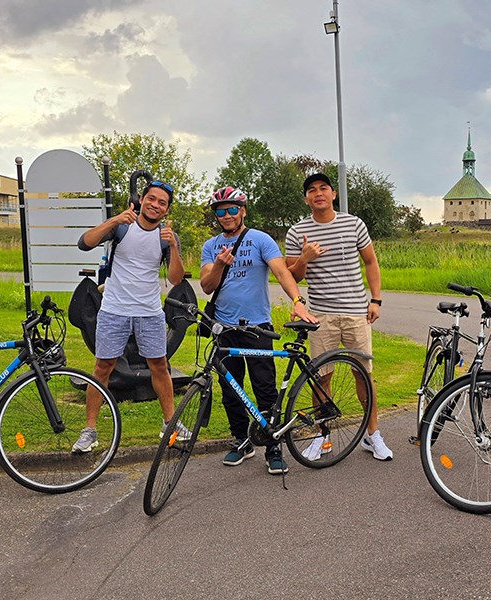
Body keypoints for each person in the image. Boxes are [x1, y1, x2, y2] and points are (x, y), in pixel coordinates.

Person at [200, 186, 318, 475]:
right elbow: (206, 286)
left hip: (257, 327)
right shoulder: (211, 246)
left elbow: (281, 272)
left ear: (242, 210)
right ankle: (242, 440)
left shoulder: (259, 239)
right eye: (220, 210)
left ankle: (273, 446)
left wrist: (298, 302)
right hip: (224, 328)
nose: (226, 215)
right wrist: (218, 264)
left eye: (232, 209)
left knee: (264, 387)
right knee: (231, 388)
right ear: (215, 215)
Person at [285, 173, 393, 461]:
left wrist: (376, 299)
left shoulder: (353, 223)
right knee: (321, 378)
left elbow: (370, 261)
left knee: (364, 374)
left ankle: (373, 435)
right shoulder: (297, 232)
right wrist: (304, 258)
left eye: (323, 188)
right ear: (306, 198)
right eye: (311, 190)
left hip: (356, 312)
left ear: (333, 194)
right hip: (320, 315)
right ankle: (323, 438)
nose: (318, 193)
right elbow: (291, 276)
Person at [72, 179, 186, 452]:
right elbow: (84, 244)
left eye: (162, 203)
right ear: (142, 199)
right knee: (102, 368)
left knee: (160, 366)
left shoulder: (166, 236)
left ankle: (169, 424)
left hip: (149, 312)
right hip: (114, 310)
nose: (156, 205)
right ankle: (90, 431)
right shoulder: (122, 227)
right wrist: (113, 221)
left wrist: (173, 248)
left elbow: (176, 279)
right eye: (152, 199)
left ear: (166, 210)